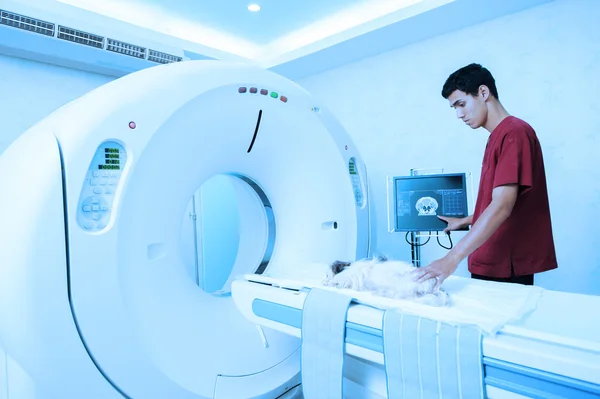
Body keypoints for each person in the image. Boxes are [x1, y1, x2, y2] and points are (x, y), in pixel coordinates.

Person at [413, 63, 558, 289]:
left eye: (461, 104)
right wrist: (466, 220)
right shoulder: (497, 137)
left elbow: (502, 205)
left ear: (483, 92)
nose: (459, 114)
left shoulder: (515, 133)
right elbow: (505, 200)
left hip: (505, 265)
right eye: (454, 108)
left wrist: (450, 258)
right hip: (489, 259)